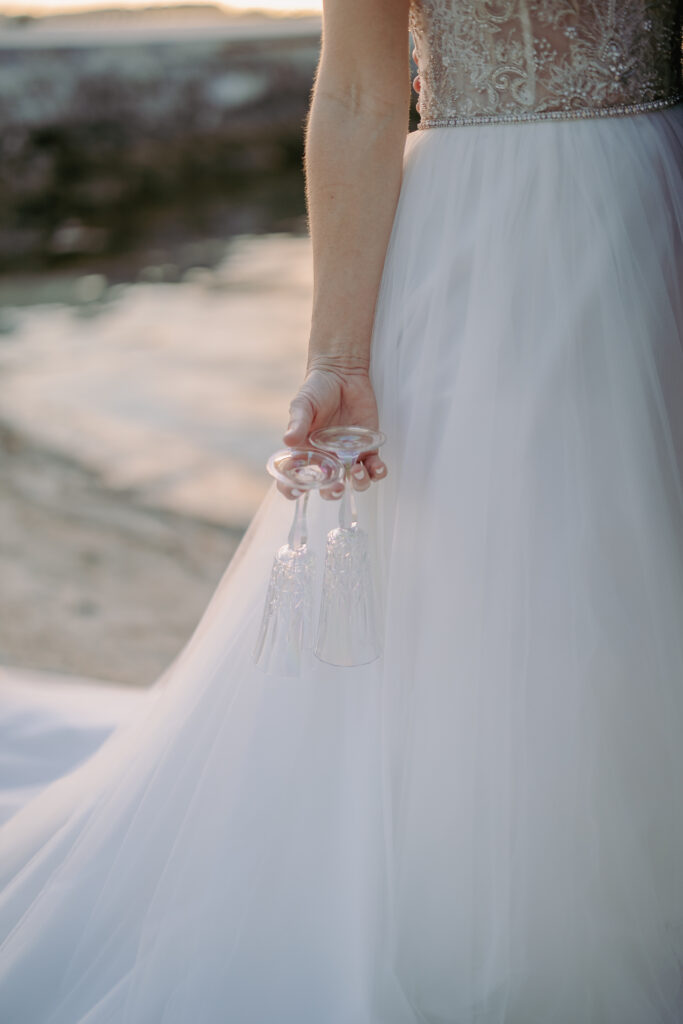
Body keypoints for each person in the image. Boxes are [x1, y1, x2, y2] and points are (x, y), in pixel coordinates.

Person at [1, 1, 682, 1021]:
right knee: (524, 588)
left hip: (659, 222)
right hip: (497, 256)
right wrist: (337, 361)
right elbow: (361, 88)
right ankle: (517, 919)